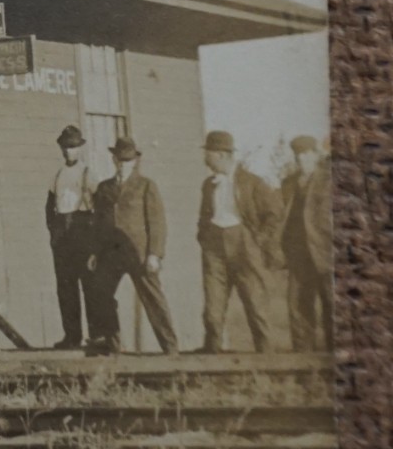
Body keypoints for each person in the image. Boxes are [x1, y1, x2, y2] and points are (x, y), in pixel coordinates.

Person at [87, 137, 178, 355]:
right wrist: (94, 252)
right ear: (113, 159)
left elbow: (157, 222)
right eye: (119, 159)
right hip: (111, 253)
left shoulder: (146, 186)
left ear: (135, 161)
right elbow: (98, 223)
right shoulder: (104, 188)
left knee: (153, 299)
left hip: (139, 253)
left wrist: (155, 254)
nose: (122, 164)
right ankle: (112, 344)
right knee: (100, 291)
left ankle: (171, 348)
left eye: (127, 160)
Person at [197, 130, 283, 353]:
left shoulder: (252, 182)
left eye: (209, 153)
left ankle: (268, 361)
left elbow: (274, 212)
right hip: (214, 248)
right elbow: (203, 217)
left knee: (255, 304)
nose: (206, 157)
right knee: (212, 308)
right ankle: (212, 357)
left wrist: (258, 240)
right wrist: (205, 238)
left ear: (221, 155)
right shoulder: (208, 184)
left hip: (245, 246)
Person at [45, 125, 97, 350]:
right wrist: (54, 232)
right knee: (65, 287)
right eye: (66, 147)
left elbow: (98, 207)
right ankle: (72, 336)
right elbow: (49, 207)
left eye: (73, 147)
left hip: (82, 230)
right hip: (62, 234)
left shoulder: (88, 173)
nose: (69, 152)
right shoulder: (57, 175)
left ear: (80, 149)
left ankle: (96, 336)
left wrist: (93, 239)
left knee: (89, 285)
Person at [280, 135, 332, 351]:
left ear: (315, 155)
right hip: (298, 255)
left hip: (326, 252)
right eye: (298, 155)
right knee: (298, 306)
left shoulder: (329, 179)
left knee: (332, 304)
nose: (301, 159)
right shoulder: (289, 183)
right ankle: (303, 361)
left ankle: (337, 358)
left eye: (306, 154)